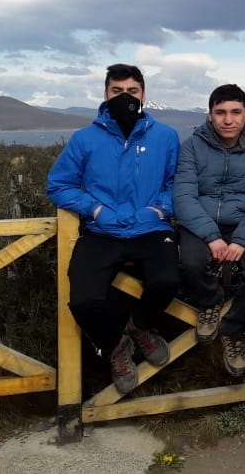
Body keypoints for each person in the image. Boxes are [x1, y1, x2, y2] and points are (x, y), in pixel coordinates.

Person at [47, 63, 180, 395]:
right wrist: (94, 209)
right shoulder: (85, 139)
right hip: (101, 232)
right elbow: (58, 185)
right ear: (105, 94)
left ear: (144, 94)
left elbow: (178, 183)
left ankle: (141, 327)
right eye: (117, 91)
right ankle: (115, 345)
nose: (125, 97)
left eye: (132, 91)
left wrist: (159, 209)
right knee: (83, 301)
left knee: (167, 281)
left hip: (150, 229)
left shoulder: (166, 136)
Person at [173, 84, 245, 377]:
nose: (228, 119)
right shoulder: (192, 146)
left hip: (242, 224)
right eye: (221, 112)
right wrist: (211, 237)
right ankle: (210, 302)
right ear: (209, 115)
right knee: (190, 263)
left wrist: (242, 239)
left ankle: (233, 328)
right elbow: (183, 196)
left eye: (235, 112)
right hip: (199, 223)